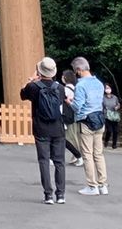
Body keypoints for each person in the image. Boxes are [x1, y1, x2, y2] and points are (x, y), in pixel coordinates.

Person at [19, 57, 67, 203]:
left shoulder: (34, 87)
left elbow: (22, 94)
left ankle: (48, 195)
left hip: (41, 128)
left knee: (44, 161)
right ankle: (61, 195)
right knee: (59, 161)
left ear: (40, 71)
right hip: (58, 128)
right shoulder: (60, 88)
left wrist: (31, 79)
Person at [71, 55, 108, 196]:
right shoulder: (99, 83)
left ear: (79, 70)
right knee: (99, 154)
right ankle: (103, 185)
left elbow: (77, 106)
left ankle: (92, 186)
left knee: (87, 154)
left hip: (86, 121)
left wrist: (70, 102)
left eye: (76, 71)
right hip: (99, 120)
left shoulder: (81, 85)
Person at [60, 71, 83, 166]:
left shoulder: (66, 89)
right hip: (76, 115)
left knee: (70, 137)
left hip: (68, 115)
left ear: (65, 78)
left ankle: (79, 156)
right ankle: (76, 156)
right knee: (75, 136)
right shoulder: (76, 88)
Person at [103, 83, 122, 150]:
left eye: (109, 88)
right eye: (106, 88)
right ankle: (106, 140)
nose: (107, 89)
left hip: (114, 115)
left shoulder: (114, 97)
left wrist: (117, 107)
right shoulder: (103, 98)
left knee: (115, 130)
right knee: (109, 130)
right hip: (106, 116)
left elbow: (118, 104)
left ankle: (114, 144)